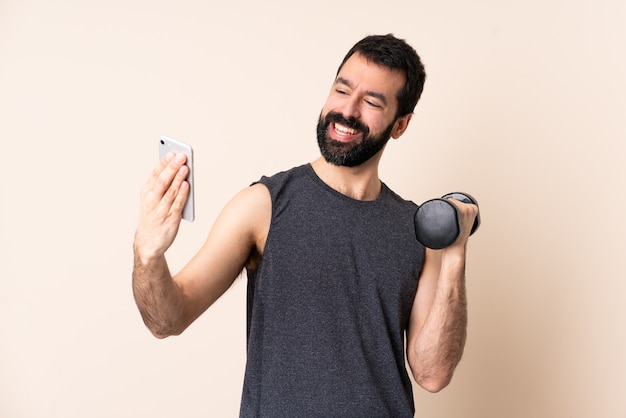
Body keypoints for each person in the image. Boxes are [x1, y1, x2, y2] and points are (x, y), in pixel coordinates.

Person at [132, 33, 478, 417]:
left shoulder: (415, 231)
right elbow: (168, 320)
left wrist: (455, 253)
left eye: (371, 102)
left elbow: (432, 373)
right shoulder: (262, 206)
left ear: (400, 125)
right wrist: (149, 254)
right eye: (341, 90)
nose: (347, 110)